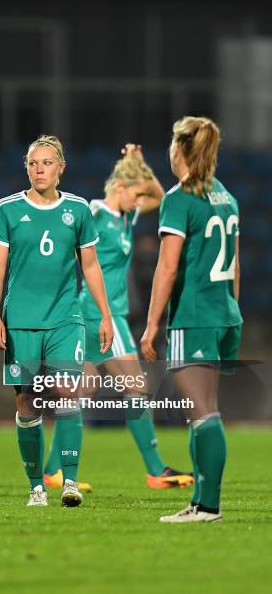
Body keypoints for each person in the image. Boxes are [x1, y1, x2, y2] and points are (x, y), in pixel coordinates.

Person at [44, 145, 194, 491]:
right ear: (120, 187)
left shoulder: (125, 216)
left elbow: (160, 197)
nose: (140, 200)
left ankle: (53, 470)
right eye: (135, 192)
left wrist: (140, 165)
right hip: (101, 314)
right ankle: (155, 469)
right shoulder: (95, 212)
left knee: (80, 391)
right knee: (137, 386)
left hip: (104, 315)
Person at [0, 135, 113, 507]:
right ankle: (36, 486)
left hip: (65, 318)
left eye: (46, 163)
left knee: (67, 392)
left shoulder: (78, 210)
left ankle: (70, 482)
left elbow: (90, 265)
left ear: (61, 168)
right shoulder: (6, 209)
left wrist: (104, 315)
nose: (39, 169)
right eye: (33, 163)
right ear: (27, 167)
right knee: (28, 402)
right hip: (21, 320)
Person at [141, 116, 242, 523]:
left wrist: (150, 325)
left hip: (194, 316)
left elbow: (166, 270)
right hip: (223, 314)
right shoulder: (226, 197)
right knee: (203, 410)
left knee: (202, 413)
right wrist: (233, 311)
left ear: (179, 150)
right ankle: (200, 501)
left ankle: (210, 505)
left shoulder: (179, 199)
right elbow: (236, 265)